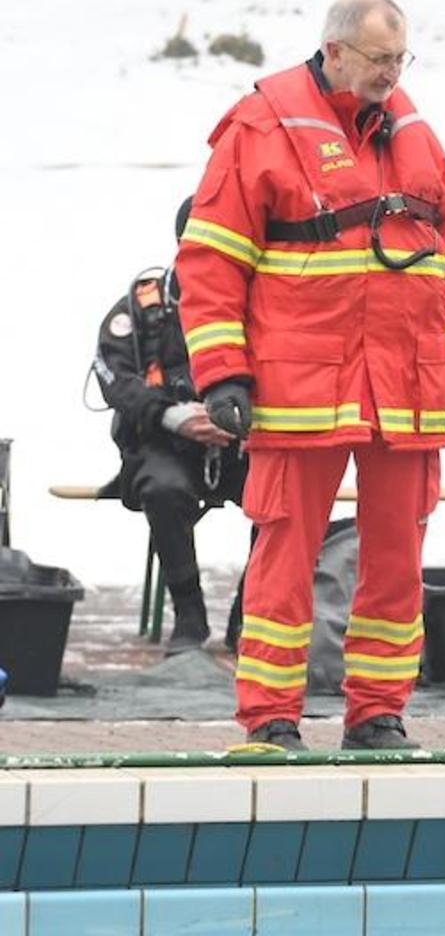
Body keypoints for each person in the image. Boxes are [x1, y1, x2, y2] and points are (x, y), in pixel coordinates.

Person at [177, 0, 445, 752]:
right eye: (380, 59)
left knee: (396, 561)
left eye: (400, 59)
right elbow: (212, 259)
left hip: (406, 386)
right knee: (285, 553)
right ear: (335, 51)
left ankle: (377, 711)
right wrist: (223, 372)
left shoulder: (416, 133)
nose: (392, 73)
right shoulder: (261, 127)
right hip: (301, 385)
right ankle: (270, 716)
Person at [93, 196, 247, 655]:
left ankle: (250, 618)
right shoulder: (143, 308)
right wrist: (172, 416)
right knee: (162, 489)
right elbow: (112, 374)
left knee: (288, 497)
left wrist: (241, 423)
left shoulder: (262, 301)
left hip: (244, 441)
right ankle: (190, 616)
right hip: (165, 443)